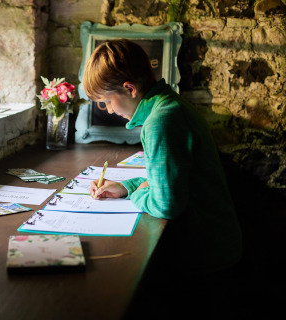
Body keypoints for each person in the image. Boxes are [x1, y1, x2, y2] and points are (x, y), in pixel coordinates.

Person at [84, 39, 242, 278]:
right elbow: (170, 179)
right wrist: (127, 187)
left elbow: (166, 204)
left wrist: (137, 194)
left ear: (129, 89)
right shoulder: (170, 105)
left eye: (106, 101)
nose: (108, 109)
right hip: (217, 242)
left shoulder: (160, 122)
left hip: (203, 255)